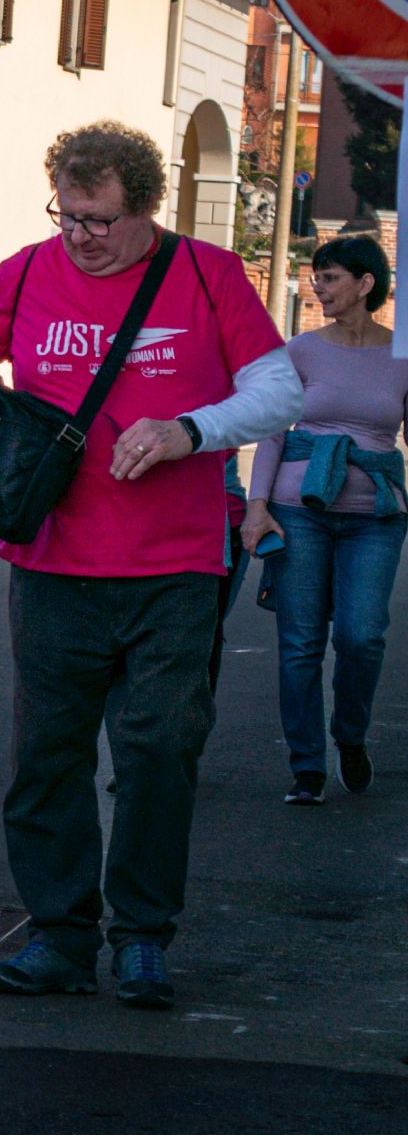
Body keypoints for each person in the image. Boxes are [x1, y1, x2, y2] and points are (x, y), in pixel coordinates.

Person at [0, 121, 302, 1009]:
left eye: (99, 220)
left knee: (159, 750)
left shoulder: (207, 273)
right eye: (67, 215)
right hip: (54, 559)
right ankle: (57, 936)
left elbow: (280, 389)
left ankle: (142, 938)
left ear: (146, 209)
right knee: (47, 756)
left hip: (175, 566)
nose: (81, 236)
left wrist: (190, 431)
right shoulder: (27, 269)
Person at [242, 235, 405, 805]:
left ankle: (350, 736)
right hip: (298, 513)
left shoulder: (402, 355)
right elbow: (272, 432)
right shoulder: (302, 351)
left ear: (365, 284)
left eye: (330, 277)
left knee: (363, 637)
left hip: (375, 517)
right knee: (301, 643)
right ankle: (307, 766)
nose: (319, 288)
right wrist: (257, 508)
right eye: (317, 277)